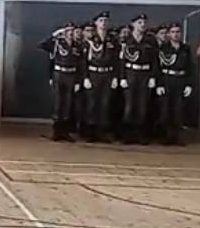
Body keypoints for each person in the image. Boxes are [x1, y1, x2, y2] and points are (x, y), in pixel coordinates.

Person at [120, 14, 159, 145]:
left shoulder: (150, 40)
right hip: (130, 72)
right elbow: (121, 60)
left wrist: (153, 76)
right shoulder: (126, 39)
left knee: (142, 105)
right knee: (129, 105)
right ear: (133, 24)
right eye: (139, 22)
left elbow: (155, 60)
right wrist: (122, 77)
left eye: (144, 22)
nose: (142, 25)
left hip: (145, 74)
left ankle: (140, 135)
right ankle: (127, 135)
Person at [39, 22, 81, 142]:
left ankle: (65, 132)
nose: (70, 33)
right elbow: (42, 45)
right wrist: (55, 35)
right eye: (68, 31)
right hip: (59, 74)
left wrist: (78, 80)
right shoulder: (57, 43)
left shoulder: (77, 45)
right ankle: (57, 132)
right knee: (58, 103)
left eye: (72, 31)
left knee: (68, 103)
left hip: (71, 75)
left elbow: (81, 64)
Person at [82, 12, 119, 143]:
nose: (103, 23)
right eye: (101, 20)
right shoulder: (90, 40)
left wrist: (115, 77)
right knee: (92, 104)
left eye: (105, 20)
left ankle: (102, 131)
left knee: (105, 104)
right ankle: (90, 132)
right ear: (96, 23)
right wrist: (85, 77)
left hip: (107, 74)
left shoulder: (112, 40)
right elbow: (83, 61)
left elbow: (116, 60)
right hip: (93, 74)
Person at [157, 23, 194, 146]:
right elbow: (158, 67)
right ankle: (166, 137)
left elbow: (190, 67)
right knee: (165, 110)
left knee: (178, 110)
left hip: (180, 80)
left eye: (177, 31)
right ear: (168, 34)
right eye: (173, 32)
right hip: (167, 79)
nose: (175, 34)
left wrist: (189, 84)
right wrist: (159, 84)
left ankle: (177, 138)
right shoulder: (163, 48)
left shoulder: (185, 48)